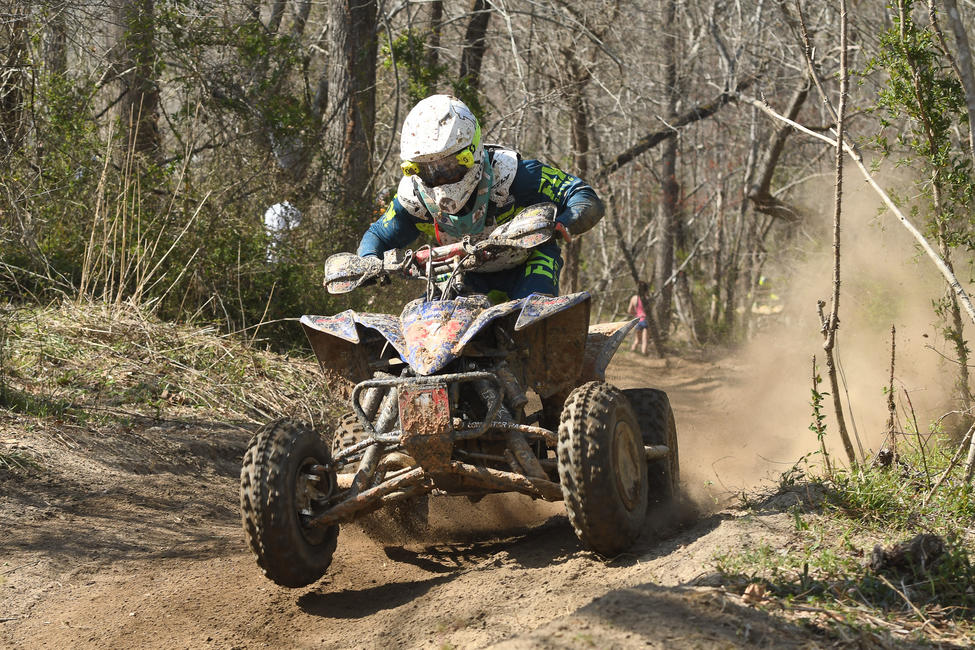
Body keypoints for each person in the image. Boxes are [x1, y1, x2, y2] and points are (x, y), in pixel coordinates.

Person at [357, 94, 604, 302]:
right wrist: (368, 262)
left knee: (534, 316)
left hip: (528, 261)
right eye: (426, 169)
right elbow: (379, 234)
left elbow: (581, 194)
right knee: (424, 327)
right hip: (460, 268)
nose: (439, 177)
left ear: (472, 152)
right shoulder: (414, 197)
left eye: (448, 165)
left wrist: (563, 223)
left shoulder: (516, 175)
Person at [628, 282, 649, 355]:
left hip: (638, 320)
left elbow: (629, 310)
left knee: (637, 340)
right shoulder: (647, 299)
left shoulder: (634, 298)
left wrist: (637, 314)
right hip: (646, 320)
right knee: (645, 340)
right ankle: (644, 355)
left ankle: (631, 353)